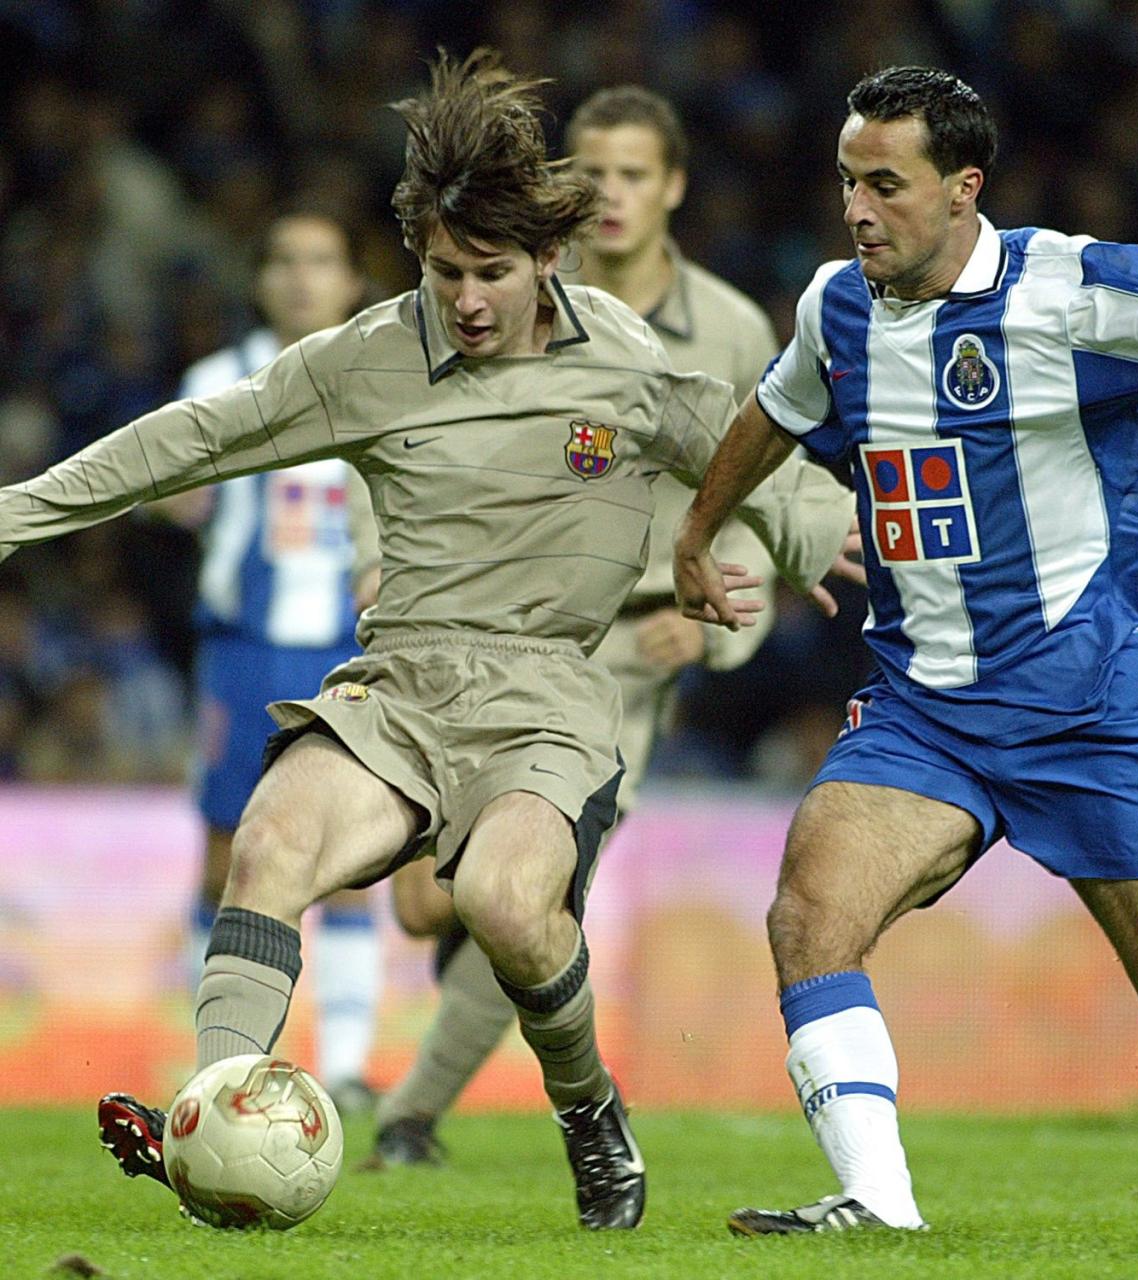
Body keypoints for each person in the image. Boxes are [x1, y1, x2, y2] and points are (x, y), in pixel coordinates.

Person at [0, 50, 857, 1231]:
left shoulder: (615, 356)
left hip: (552, 693)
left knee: (508, 902)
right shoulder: (369, 358)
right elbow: (192, 439)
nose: (462, 297)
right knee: (270, 841)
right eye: (443, 269)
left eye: (490, 272)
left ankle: (586, 1106)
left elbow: (733, 438)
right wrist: (18, 513)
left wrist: (817, 532)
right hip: (399, 684)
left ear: (548, 258)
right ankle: (209, 1123)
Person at [673, 64, 1138, 1236]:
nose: (856, 209)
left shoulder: (1065, 291)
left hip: (1082, 712)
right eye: (846, 181)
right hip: (923, 713)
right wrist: (700, 530)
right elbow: (773, 409)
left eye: (884, 186)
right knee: (809, 912)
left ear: (961, 190)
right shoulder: (834, 306)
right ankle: (875, 1207)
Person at [364, 85, 788, 1168]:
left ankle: (407, 1116)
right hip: (469, 622)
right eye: (590, 171)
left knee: (527, 892)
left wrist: (715, 627)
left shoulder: (732, 329)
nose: (609, 193)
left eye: (634, 173)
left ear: (674, 187)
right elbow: (418, 439)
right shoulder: (511, 289)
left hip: (628, 649)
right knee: (426, 904)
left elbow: (758, 482)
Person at [160, 210, 383, 1113]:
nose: (300, 278)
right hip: (244, 650)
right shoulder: (215, 380)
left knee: (356, 858)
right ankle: (216, 1063)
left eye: (320, 261)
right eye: (283, 261)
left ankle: (348, 1070)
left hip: (348, 650)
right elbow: (167, 493)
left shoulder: (381, 379)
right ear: (260, 280)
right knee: (223, 854)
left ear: (351, 281)